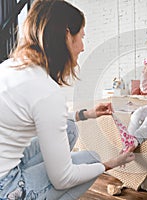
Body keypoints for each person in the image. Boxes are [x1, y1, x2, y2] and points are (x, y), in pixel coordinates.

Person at [0, 0, 134, 199]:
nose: (82, 47)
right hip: (6, 186)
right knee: (91, 161)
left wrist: (86, 114)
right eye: (81, 37)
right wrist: (109, 164)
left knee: (70, 128)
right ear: (66, 36)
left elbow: (43, 116)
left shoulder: (9, 67)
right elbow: (63, 179)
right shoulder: (46, 90)